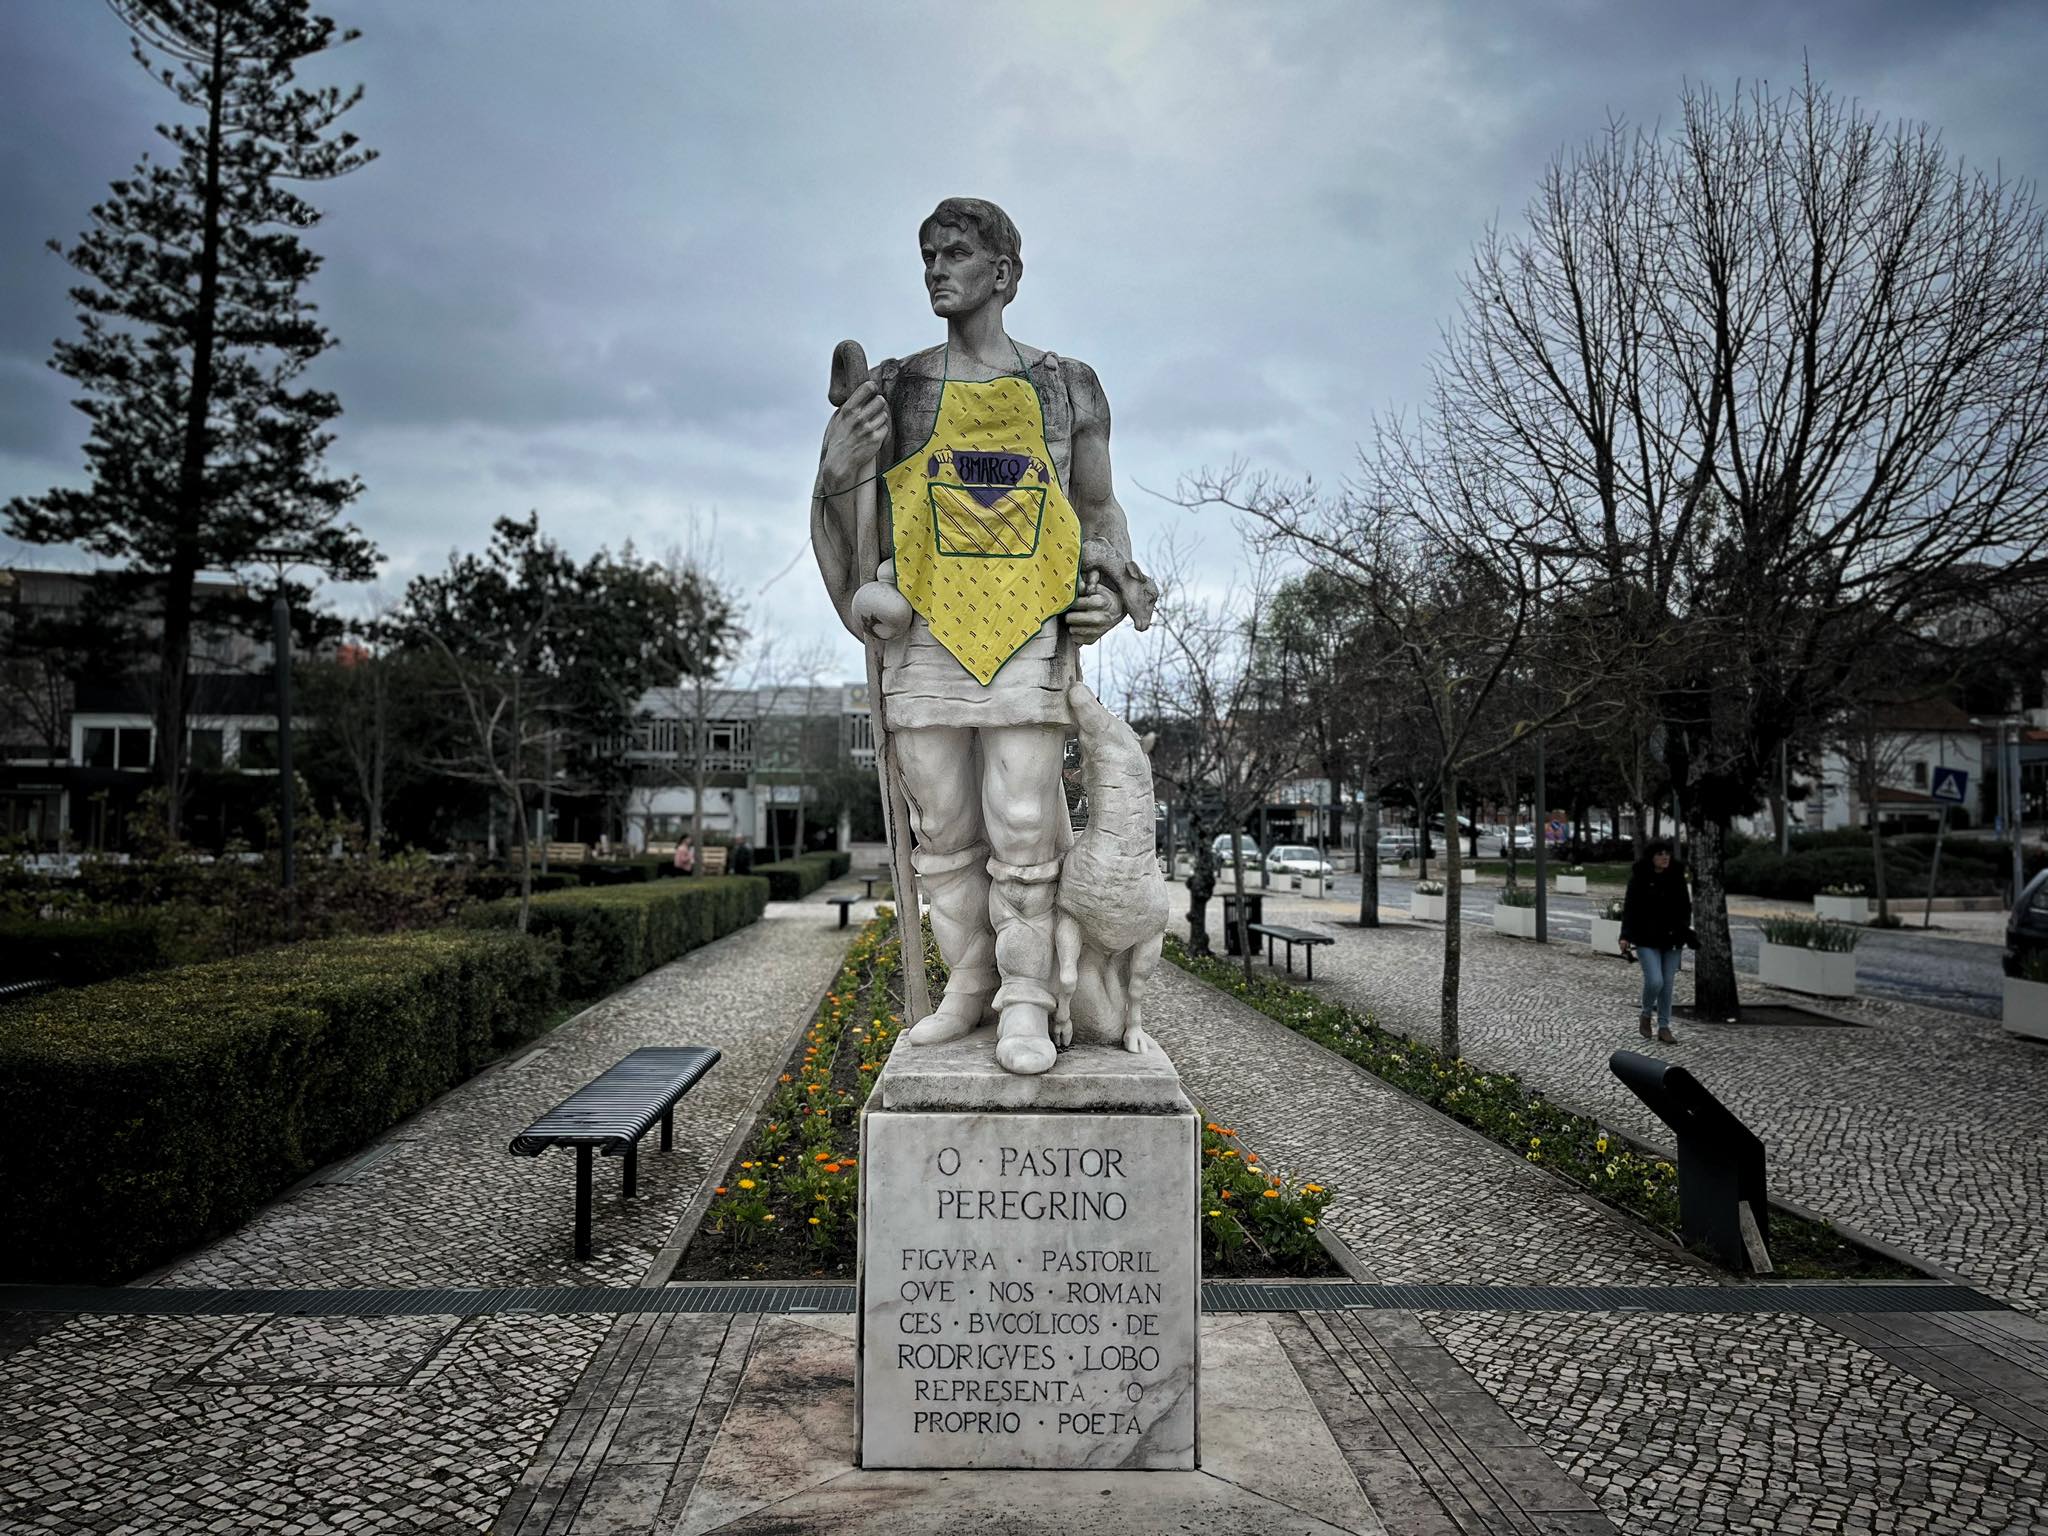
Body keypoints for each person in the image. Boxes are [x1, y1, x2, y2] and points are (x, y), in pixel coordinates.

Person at [812, 198, 1157, 1075]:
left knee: (1025, 822)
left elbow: (1095, 507)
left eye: (955, 254)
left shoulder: (1070, 385)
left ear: (1002, 273)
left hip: (1028, 630)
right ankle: (968, 982)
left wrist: (1109, 580)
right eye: (926, 254)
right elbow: (851, 513)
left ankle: (1027, 1003)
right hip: (923, 631)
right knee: (944, 827)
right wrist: (836, 471)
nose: (935, 269)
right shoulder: (894, 387)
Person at [1619, 837, 1693, 1044]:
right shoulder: (1639, 878)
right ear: (1651, 857)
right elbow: (1630, 909)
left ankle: (1664, 1026)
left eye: (1667, 853)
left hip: (1672, 939)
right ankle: (1645, 1013)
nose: (1665, 857)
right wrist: (1625, 935)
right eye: (1660, 854)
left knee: (1667, 985)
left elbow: (1685, 908)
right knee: (1655, 981)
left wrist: (1684, 930)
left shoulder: (1677, 878)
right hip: (1645, 938)